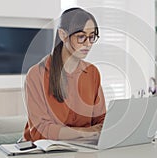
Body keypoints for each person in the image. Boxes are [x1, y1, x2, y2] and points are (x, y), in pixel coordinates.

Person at [23, 8, 106, 141]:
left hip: (83, 148)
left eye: (92, 37)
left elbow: (101, 122)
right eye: (81, 37)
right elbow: (41, 131)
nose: (88, 44)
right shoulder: (36, 74)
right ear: (63, 35)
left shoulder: (92, 73)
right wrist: (86, 132)